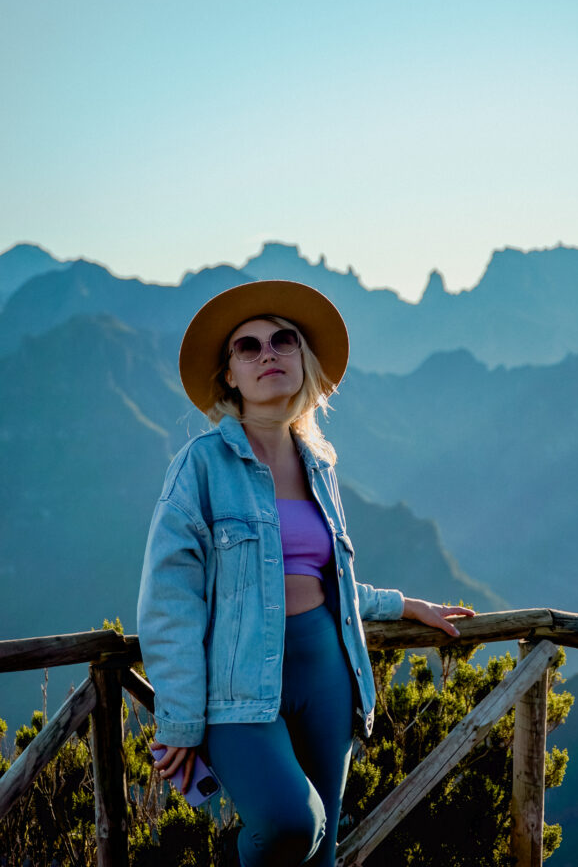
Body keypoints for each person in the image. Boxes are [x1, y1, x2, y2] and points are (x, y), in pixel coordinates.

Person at [137, 279, 475, 867]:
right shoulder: (199, 466)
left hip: (327, 672)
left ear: (302, 359)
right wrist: (181, 721)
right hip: (239, 690)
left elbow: (326, 581)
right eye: (248, 346)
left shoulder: (320, 466)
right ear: (230, 376)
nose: (267, 353)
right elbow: (170, 602)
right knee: (293, 825)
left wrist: (402, 604)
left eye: (283, 340)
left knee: (321, 856)